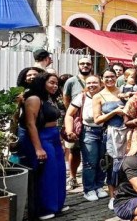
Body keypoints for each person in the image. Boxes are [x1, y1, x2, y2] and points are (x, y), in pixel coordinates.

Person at [18, 72, 67, 220]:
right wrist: (38, 148)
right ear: (42, 82)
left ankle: (56, 204)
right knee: (47, 173)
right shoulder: (34, 99)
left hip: (53, 136)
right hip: (41, 137)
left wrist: (60, 140)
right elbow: (30, 124)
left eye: (56, 83)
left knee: (59, 171)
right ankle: (44, 208)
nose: (55, 86)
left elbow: (55, 122)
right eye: (51, 82)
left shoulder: (49, 99)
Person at [64, 74, 108, 202]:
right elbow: (69, 114)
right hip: (89, 131)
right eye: (89, 83)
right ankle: (89, 189)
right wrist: (69, 130)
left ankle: (99, 186)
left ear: (101, 84)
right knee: (90, 162)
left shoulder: (106, 95)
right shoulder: (82, 97)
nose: (92, 85)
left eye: (95, 82)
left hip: (105, 131)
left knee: (102, 160)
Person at [93, 68, 127, 210]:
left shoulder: (124, 91)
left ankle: (125, 193)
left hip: (126, 132)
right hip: (110, 133)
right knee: (111, 165)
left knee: (126, 164)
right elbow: (97, 119)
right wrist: (114, 112)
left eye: (112, 76)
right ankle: (113, 196)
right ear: (102, 79)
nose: (109, 79)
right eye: (106, 77)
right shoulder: (98, 96)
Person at [62, 56, 93, 191]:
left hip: (92, 121)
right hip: (75, 120)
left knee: (91, 151)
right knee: (74, 149)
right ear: (78, 65)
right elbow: (66, 99)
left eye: (87, 63)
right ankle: (73, 177)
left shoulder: (95, 80)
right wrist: (73, 114)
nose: (85, 65)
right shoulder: (71, 81)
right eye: (82, 63)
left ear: (91, 65)